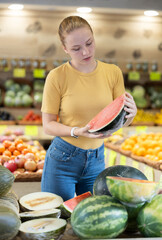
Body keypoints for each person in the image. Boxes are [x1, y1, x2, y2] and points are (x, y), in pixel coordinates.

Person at [41, 15, 137, 201]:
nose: (85, 52)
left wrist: (131, 115)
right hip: (63, 158)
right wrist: (78, 131)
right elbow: (48, 125)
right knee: (57, 215)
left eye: (89, 43)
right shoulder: (56, 76)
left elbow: (119, 119)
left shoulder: (113, 73)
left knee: (94, 217)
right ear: (65, 49)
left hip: (97, 158)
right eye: (76, 48)